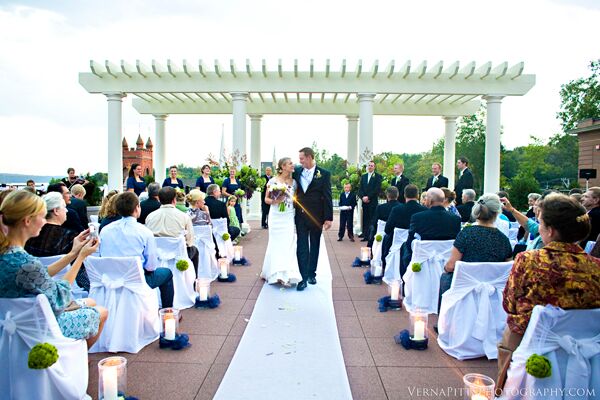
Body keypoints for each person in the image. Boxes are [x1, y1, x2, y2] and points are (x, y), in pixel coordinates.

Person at [497, 193, 600, 393]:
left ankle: (503, 389)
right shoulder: (596, 267)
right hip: (589, 354)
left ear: (551, 231)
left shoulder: (528, 260)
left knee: (510, 330)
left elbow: (509, 305)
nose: (539, 226)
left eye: (541, 223)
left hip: (533, 344)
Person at [0, 190, 107, 349]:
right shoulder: (26, 263)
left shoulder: (11, 257)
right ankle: (75, 360)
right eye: (42, 217)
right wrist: (80, 258)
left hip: (15, 324)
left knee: (90, 301)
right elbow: (61, 298)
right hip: (41, 327)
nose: (44, 222)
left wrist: (72, 253)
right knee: (102, 312)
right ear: (28, 220)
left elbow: (41, 273)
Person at [438, 193, 513, 311]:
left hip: (465, 289)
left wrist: (445, 269)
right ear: (497, 213)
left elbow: (451, 266)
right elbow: (507, 270)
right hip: (492, 291)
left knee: (445, 277)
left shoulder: (466, 233)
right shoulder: (504, 240)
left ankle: (444, 320)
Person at [99, 192, 174, 307]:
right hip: (137, 281)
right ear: (137, 207)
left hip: (111, 278)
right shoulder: (144, 232)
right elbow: (151, 266)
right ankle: (168, 313)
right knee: (167, 273)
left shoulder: (105, 230)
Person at [25, 192, 91, 291]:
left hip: (33, 287)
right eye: (64, 207)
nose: (67, 211)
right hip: (65, 287)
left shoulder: (29, 236)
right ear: (56, 211)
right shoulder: (69, 237)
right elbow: (80, 272)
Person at [293, 147, 333, 291]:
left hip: (317, 216)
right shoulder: (297, 171)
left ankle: (311, 274)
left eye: (302, 158)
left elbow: (328, 196)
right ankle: (303, 277)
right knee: (302, 245)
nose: (300, 161)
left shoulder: (324, 174)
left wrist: (328, 218)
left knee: (314, 244)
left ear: (309, 157)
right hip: (300, 215)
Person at [400, 188, 461, 278]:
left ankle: (403, 284)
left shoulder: (418, 217)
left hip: (423, 264)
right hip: (446, 263)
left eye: (426, 198)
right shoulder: (455, 219)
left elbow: (410, 243)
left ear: (430, 200)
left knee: (404, 248)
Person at [261, 157, 303, 286]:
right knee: (275, 243)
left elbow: (296, 199)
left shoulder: (294, 182)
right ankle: (275, 273)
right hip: (276, 215)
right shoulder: (273, 181)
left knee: (288, 243)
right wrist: (275, 201)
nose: (293, 165)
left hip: (288, 215)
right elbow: (266, 199)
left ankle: (288, 273)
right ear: (283, 166)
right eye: (290, 163)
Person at [146, 187, 199, 273]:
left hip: (156, 255)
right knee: (195, 251)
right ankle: (193, 282)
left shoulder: (150, 217)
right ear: (174, 200)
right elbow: (190, 241)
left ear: (159, 199)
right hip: (178, 256)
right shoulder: (184, 216)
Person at [382, 184, 427, 266]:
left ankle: (384, 265)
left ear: (404, 195)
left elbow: (387, 229)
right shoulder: (424, 210)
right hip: (417, 246)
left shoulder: (397, 209)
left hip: (397, 245)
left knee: (386, 238)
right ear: (417, 195)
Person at [358, 160, 382, 242]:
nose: (370, 167)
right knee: (365, 218)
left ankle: (371, 236)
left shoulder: (378, 177)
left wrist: (368, 197)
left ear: (374, 167)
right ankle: (365, 235)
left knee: (372, 219)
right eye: (369, 165)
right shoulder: (363, 176)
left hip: (372, 202)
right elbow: (360, 189)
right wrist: (363, 197)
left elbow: (377, 189)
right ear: (367, 167)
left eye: (372, 165)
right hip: (364, 202)